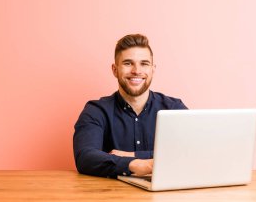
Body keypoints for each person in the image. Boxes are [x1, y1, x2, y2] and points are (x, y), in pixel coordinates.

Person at [73, 34, 188, 178]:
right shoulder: (96, 111)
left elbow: (191, 151)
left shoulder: (174, 109)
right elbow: (85, 157)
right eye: (128, 63)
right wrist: (134, 164)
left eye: (144, 63)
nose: (137, 71)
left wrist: (133, 155)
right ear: (115, 70)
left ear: (153, 69)